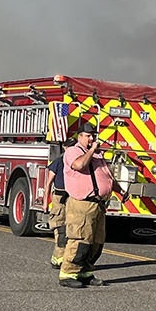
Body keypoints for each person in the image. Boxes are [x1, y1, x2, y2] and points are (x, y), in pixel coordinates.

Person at [58, 123, 114, 288]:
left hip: (98, 205)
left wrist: (118, 189)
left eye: (93, 135)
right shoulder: (73, 152)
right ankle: (68, 273)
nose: (92, 138)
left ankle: (86, 272)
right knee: (80, 240)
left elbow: (107, 176)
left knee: (96, 242)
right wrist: (91, 150)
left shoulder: (97, 155)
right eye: (88, 135)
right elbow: (79, 165)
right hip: (82, 204)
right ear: (80, 136)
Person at [41, 136, 72, 269]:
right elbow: (48, 183)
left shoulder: (76, 162)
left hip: (72, 198)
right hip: (59, 198)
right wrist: (44, 202)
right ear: (65, 147)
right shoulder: (58, 162)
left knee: (71, 230)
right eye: (69, 146)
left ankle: (66, 259)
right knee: (60, 230)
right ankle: (57, 258)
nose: (71, 149)